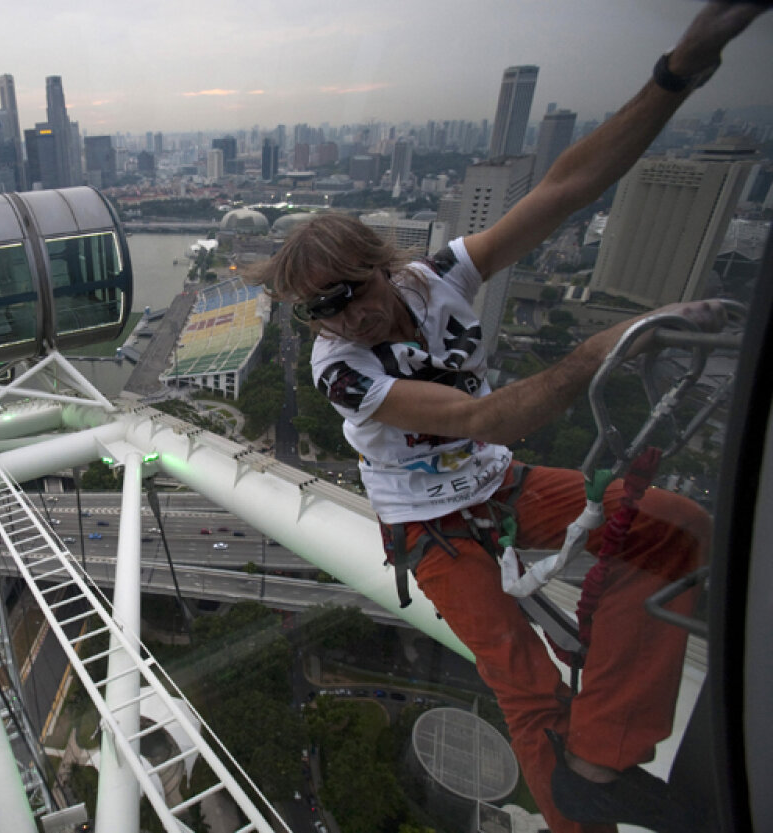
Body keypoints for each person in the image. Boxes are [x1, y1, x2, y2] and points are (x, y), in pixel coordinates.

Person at [256, 4, 765, 832]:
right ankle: (576, 816)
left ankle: (599, 759)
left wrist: (681, 68)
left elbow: (567, 189)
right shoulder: (340, 369)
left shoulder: (437, 278)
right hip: (430, 522)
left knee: (675, 527)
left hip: (499, 485)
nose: (341, 320)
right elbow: (483, 417)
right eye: (319, 311)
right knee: (521, 677)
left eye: (350, 295)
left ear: (384, 266)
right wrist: (601, 348)